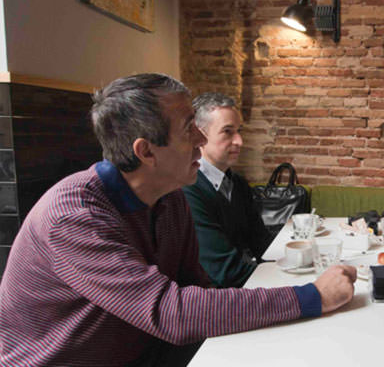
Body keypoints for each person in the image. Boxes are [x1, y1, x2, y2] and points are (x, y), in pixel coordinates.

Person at [0, 74, 356, 366]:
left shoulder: (169, 198)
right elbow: (171, 312)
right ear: (146, 151)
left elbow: (198, 293)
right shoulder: (74, 216)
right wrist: (311, 297)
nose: (201, 140)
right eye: (189, 129)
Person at [182, 93, 272, 287]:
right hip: (211, 301)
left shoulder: (238, 184)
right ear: (199, 135)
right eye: (227, 132)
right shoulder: (188, 190)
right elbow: (225, 272)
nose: (239, 141)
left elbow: (263, 246)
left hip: (240, 287)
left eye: (239, 131)